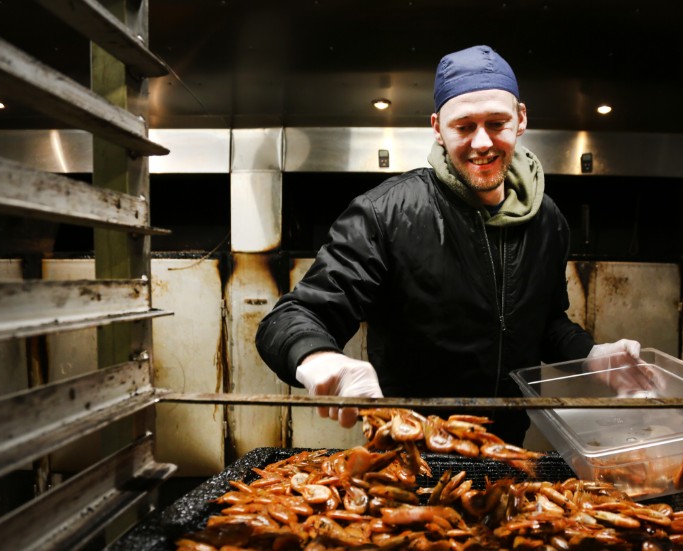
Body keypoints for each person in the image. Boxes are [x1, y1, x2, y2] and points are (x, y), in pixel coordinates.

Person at [256, 45, 644, 446]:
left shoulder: (547, 220)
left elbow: (543, 323)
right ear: (438, 127)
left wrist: (591, 354)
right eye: (464, 126)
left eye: (497, 123)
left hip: (506, 449)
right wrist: (319, 359)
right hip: (410, 448)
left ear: (521, 119)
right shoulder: (384, 213)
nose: (482, 142)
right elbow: (291, 316)